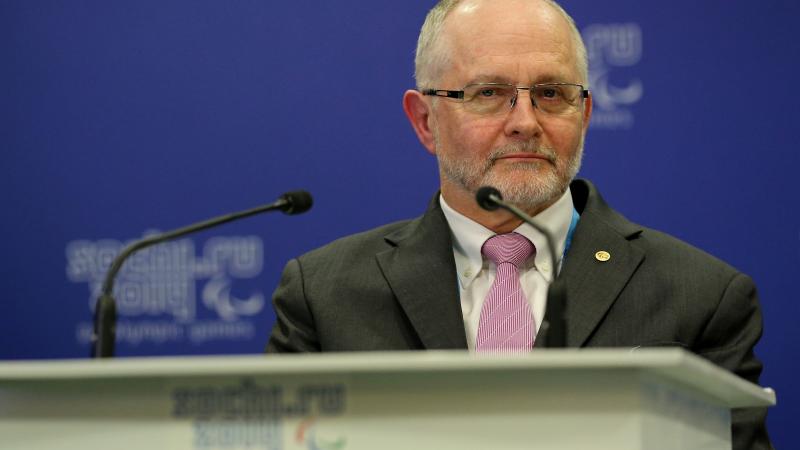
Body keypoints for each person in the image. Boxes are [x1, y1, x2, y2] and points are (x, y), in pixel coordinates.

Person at [266, 0, 770, 447]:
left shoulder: (703, 296)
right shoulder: (325, 297)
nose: (526, 121)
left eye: (551, 93)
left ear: (585, 113)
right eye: (489, 92)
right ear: (425, 121)